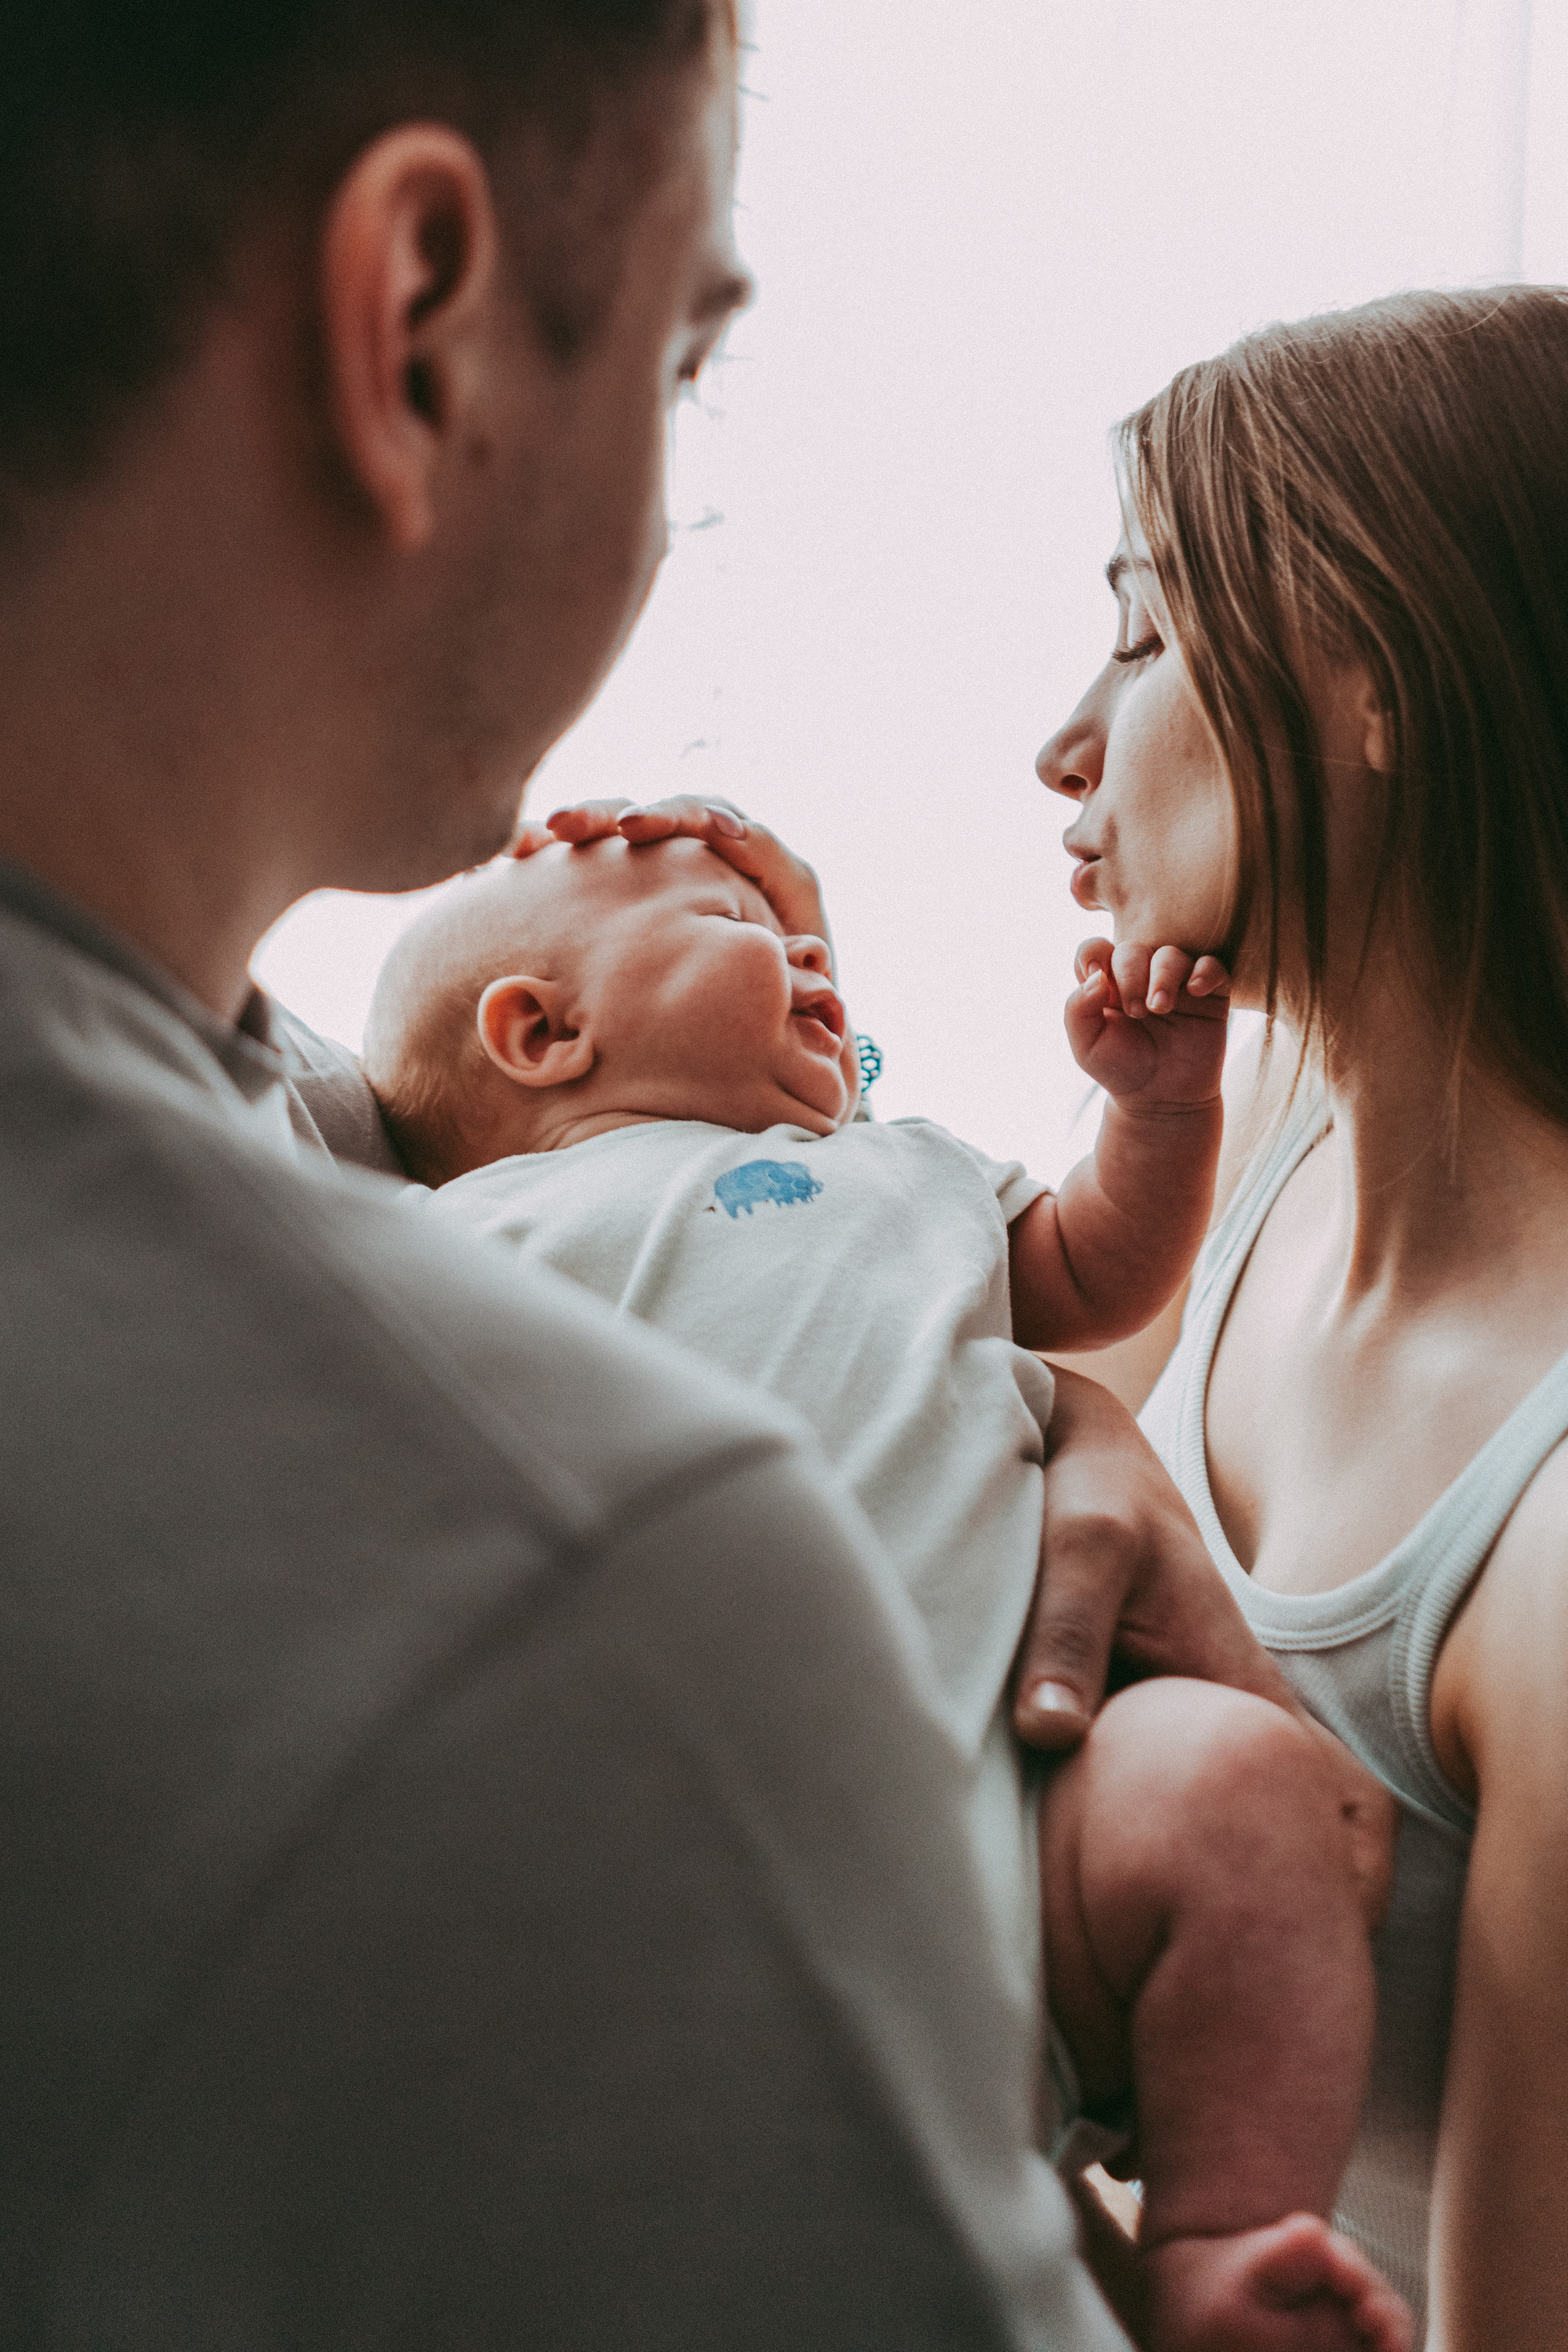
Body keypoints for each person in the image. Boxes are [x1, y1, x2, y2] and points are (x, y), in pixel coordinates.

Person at [0, 3, 1295, 2345]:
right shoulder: (622, 1580)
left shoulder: (281, 1166)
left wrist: (1004, 1374)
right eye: (685, 366)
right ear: (417, 325)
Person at [360, 814, 1410, 2352]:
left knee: (1235, 1781)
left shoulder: (903, 1170)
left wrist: (1159, 1108)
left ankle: (1220, 2238)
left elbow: (1092, 1271)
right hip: (706, 1888)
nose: (804, 950)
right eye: (735, 924)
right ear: (542, 1033)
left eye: (806, 936)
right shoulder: (459, 1243)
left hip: (1035, 1823)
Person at [1036, 284, 1568, 2352]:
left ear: (1381, 681)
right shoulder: (1245, 1137)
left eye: (1141, 631)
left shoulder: (1545, 1545)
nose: (1062, 744)